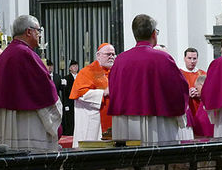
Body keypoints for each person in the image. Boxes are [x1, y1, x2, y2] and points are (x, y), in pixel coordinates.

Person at [0, 15, 62, 151]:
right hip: (28, 123)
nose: (39, 35)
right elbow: (44, 89)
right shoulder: (25, 54)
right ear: (28, 32)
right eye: (38, 31)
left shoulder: (5, 55)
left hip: (9, 121)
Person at [108, 14, 190, 143]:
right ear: (154, 34)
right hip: (159, 122)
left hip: (126, 123)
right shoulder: (163, 58)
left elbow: (113, 89)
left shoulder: (120, 60)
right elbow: (178, 89)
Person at [70, 43, 115, 147]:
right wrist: (103, 92)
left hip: (114, 120)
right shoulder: (88, 71)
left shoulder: (115, 71)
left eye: (113, 54)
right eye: (108, 54)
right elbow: (80, 93)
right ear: (98, 55)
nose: (111, 57)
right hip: (94, 121)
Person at [180, 47, 207, 120]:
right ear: (184, 58)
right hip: (186, 110)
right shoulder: (178, 73)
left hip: (200, 109)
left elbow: (210, 92)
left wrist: (200, 94)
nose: (192, 61)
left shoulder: (203, 74)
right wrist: (186, 94)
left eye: (194, 58)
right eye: (189, 58)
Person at [60, 60, 78, 137]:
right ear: (70, 68)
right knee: (70, 118)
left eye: (76, 66)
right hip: (69, 102)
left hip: (79, 101)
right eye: (73, 66)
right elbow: (64, 92)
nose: (75, 67)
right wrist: (66, 104)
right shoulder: (66, 78)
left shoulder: (81, 76)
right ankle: (70, 133)